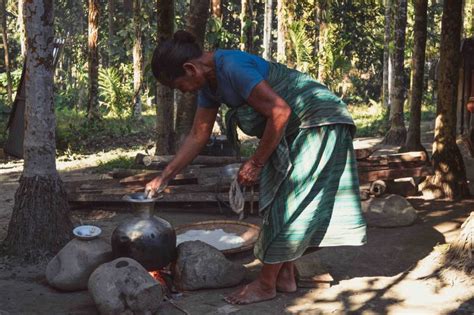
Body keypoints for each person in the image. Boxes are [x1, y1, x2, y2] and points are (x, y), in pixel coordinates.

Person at [145, 30, 367, 305]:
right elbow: (198, 135)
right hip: (294, 129)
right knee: (276, 200)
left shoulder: (232, 66)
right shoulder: (208, 84)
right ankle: (284, 276)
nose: (185, 92)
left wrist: (257, 162)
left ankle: (265, 284)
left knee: (291, 203)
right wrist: (164, 176)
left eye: (181, 87)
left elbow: (280, 112)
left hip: (319, 121)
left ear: (190, 69)